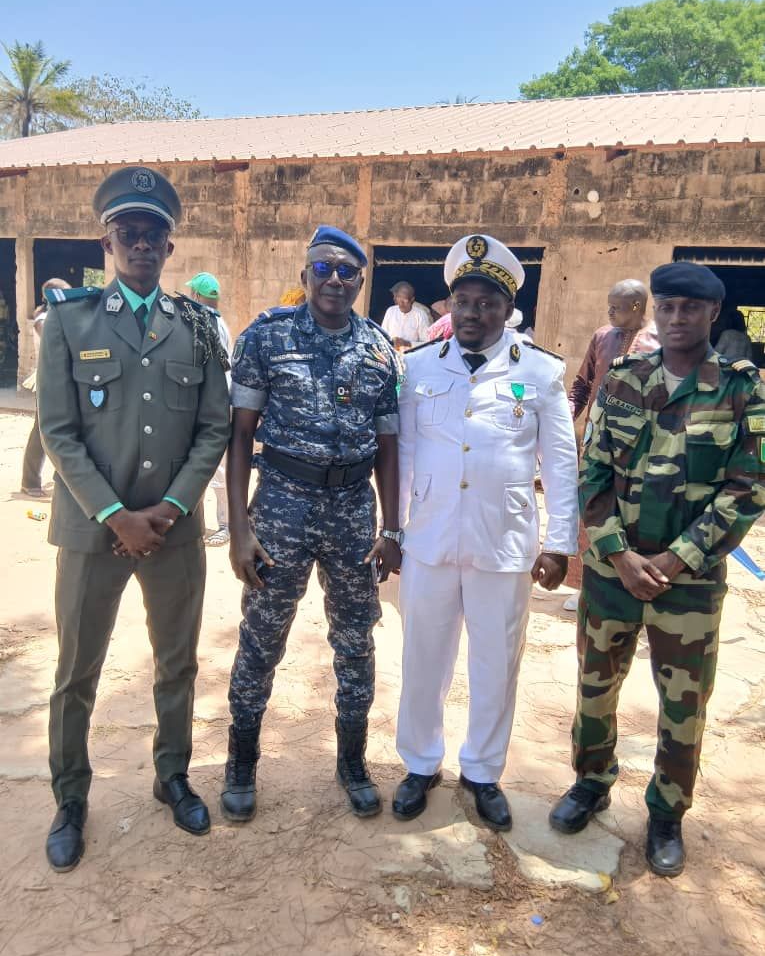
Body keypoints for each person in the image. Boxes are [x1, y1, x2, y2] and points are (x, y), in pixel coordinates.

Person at [37, 166, 230, 872]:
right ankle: (70, 796)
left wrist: (171, 508)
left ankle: (171, 775)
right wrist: (118, 515)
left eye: (154, 234)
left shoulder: (200, 327)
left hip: (174, 532)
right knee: (75, 671)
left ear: (170, 248)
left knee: (176, 661)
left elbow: (213, 428)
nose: (142, 244)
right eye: (130, 232)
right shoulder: (68, 320)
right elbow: (57, 430)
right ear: (107, 240)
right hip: (94, 533)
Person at [549, 261, 765, 877]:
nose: (676, 318)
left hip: (688, 586)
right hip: (612, 576)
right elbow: (591, 470)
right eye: (666, 307)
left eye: (689, 309)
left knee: (684, 705)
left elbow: (748, 488)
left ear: (712, 314)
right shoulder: (622, 378)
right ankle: (591, 783)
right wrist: (618, 552)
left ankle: (667, 811)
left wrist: (674, 560)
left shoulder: (741, 388)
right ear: (655, 310)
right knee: (595, 691)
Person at [392, 234, 579, 829]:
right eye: (463, 302)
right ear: (448, 305)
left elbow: (561, 462)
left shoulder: (542, 372)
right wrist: (393, 531)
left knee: (497, 661)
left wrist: (560, 542)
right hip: (429, 537)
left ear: (507, 310)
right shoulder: (418, 366)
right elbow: (404, 455)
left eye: (487, 303)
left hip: (504, 540)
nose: (473, 313)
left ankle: (482, 771)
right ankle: (420, 763)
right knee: (424, 656)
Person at [223, 225, 401, 823]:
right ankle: (242, 760)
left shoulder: (380, 348)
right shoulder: (265, 337)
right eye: (322, 268)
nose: (334, 280)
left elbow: (389, 448)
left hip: (353, 511)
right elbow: (240, 436)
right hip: (282, 504)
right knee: (262, 635)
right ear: (305, 276)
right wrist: (239, 526)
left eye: (346, 272)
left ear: (360, 281)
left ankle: (352, 761)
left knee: (356, 640)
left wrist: (393, 527)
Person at [564, 280, 660, 609]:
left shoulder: (658, 342)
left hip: (638, 448)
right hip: (595, 440)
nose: (609, 311)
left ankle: (636, 586)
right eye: (608, 305)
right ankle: (583, 588)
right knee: (591, 507)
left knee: (632, 516)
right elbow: (581, 383)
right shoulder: (602, 337)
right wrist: (565, 421)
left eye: (615, 306)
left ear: (636, 306)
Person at [185, 272, 233, 547]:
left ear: (197, 296)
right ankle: (202, 524)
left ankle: (224, 525)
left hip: (213, 404)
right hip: (216, 402)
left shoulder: (204, 322)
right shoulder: (216, 321)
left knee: (216, 471)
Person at [20, 278, 71, 497]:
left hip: (64, 379)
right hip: (47, 380)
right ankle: (30, 482)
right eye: (64, 294)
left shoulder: (62, 316)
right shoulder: (44, 319)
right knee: (41, 430)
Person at [381, 281, 432, 350]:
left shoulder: (420, 315)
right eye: (399, 298)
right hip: (391, 354)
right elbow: (382, 336)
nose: (401, 304)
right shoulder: (390, 311)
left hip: (411, 356)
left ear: (412, 300)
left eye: (405, 299)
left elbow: (428, 343)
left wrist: (407, 343)